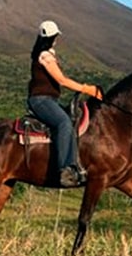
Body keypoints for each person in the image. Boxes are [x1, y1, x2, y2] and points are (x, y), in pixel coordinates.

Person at [27, 21, 102, 187]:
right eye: (56, 37)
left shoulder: (44, 53)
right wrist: (87, 89)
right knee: (64, 122)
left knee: (71, 122)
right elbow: (61, 80)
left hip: (48, 99)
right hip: (41, 100)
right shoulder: (45, 56)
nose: (57, 40)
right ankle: (64, 170)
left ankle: (75, 166)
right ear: (52, 38)